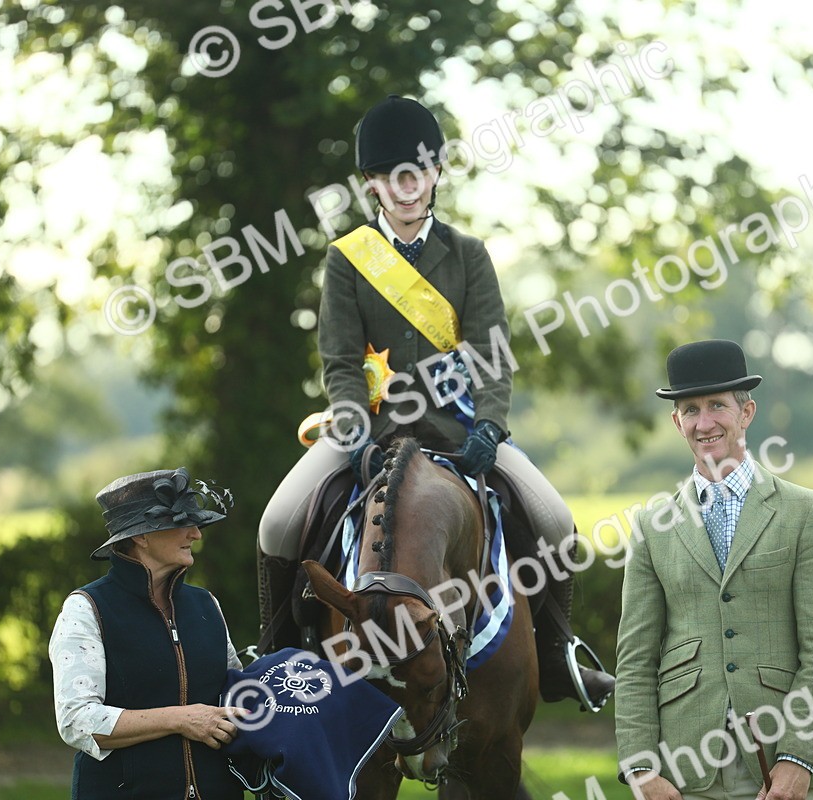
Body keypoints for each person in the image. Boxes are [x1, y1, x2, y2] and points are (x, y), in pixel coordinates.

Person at [259, 94, 614, 711]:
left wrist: (491, 428)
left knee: (556, 520)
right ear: (371, 184)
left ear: (435, 175)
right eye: (389, 175)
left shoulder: (468, 255)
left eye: (415, 173)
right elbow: (340, 362)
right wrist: (356, 435)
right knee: (277, 521)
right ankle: (277, 654)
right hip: (368, 432)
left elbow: (492, 356)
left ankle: (557, 653)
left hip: (461, 430)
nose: (404, 187)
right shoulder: (347, 260)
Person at [615, 340, 813, 800]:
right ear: (677, 421)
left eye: (717, 405)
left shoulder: (807, 513)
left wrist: (799, 759)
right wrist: (641, 768)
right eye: (691, 409)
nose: (704, 423)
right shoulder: (650, 527)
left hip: (778, 765)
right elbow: (635, 662)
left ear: (747, 412)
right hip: (682, 772)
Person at [49, 467, 246, 799]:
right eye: (183, 523)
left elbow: (234, 693)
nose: (196, 534)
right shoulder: (87, 608)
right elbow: (77, 720)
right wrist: (181, 719)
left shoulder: (207, 604)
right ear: (141, 536)